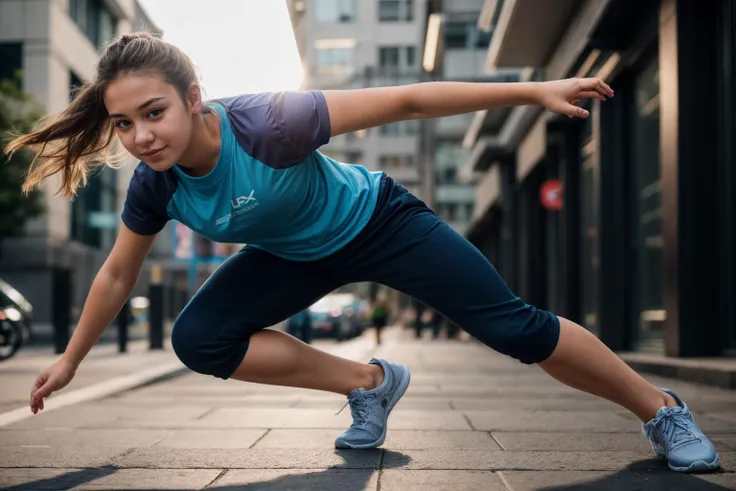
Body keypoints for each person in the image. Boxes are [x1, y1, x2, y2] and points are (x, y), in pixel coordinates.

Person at [5, 32, 719, 473]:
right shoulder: (152, 185)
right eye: (124, 124)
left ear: (194, 98)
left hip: (377, 220)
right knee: (198, 337)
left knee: (514, 326)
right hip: (293, 253)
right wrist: (70, 359)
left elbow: (406, 100)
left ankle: (659, 409)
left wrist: (534, 91)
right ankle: (368, 382)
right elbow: (118, 271)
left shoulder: (267, 123)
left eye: (152, 113)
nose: (141, 137)